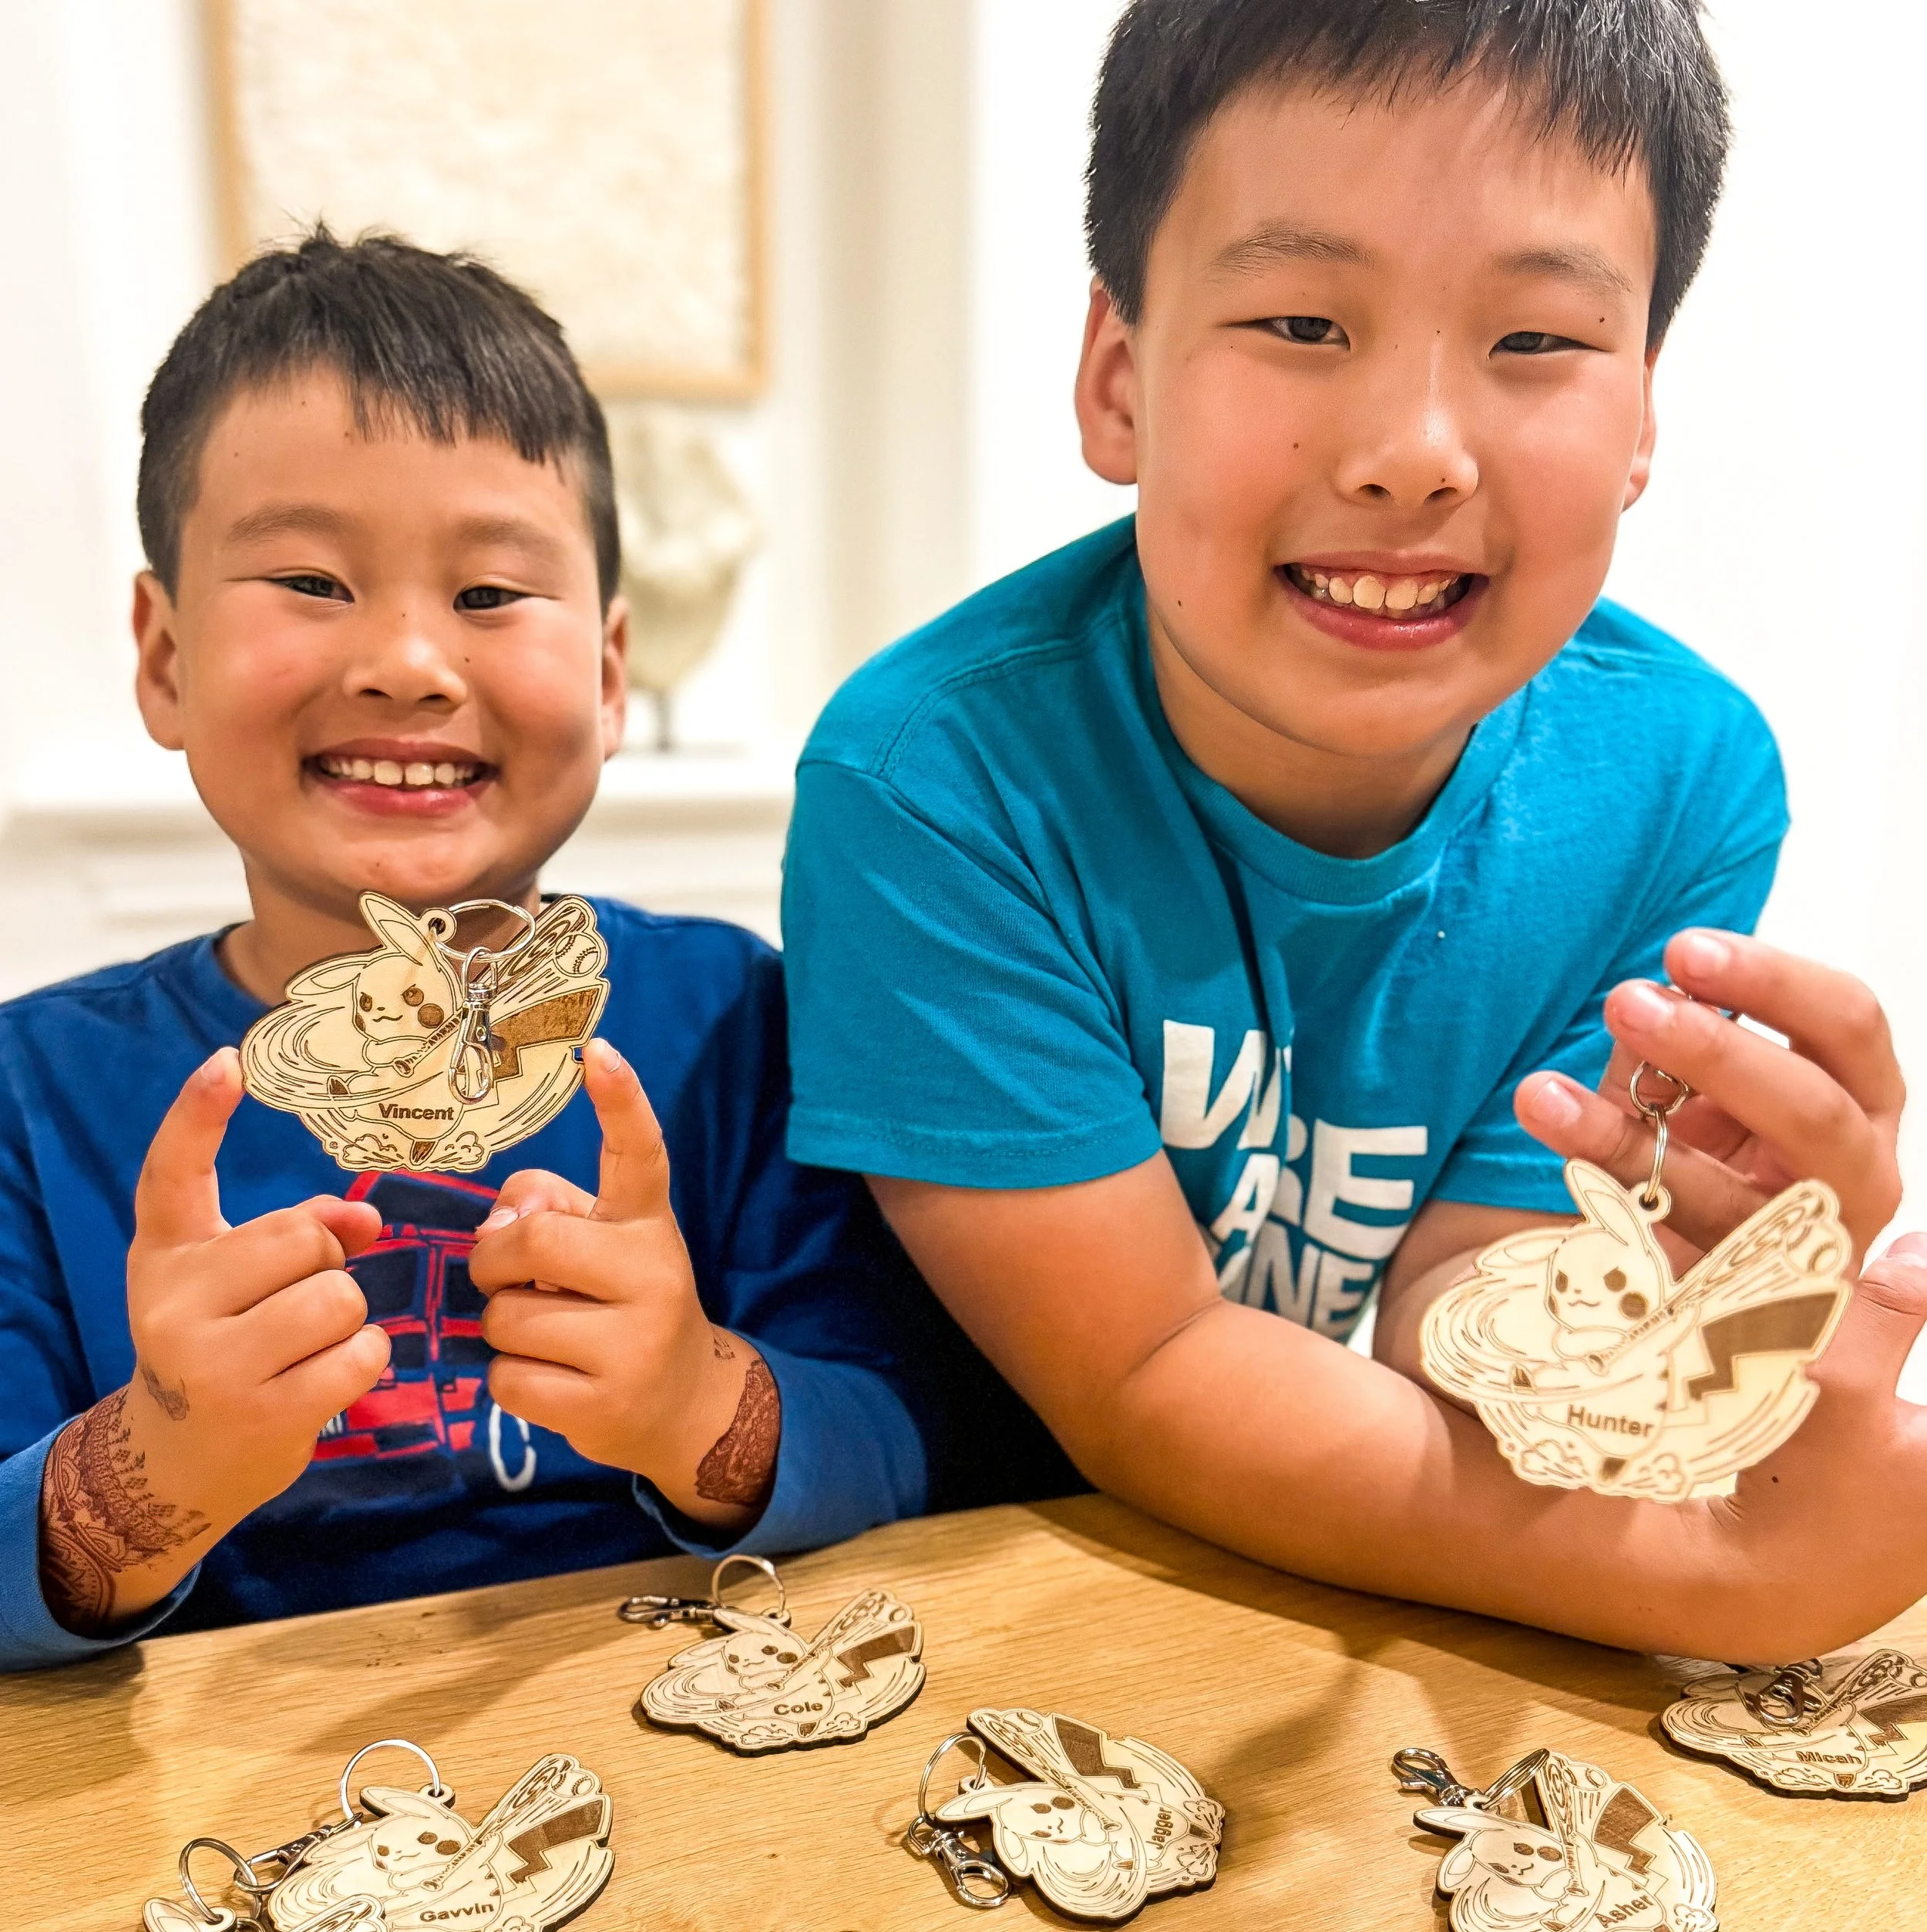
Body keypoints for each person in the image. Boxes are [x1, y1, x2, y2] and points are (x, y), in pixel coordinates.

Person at [779, 0, 1927, 1662]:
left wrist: (1630, 1328)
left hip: (1374, 1625)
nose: (1411, 455)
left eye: (1534, 342)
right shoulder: (931, 785)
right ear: (1117, 379)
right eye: (1302, 320)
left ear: (1643, 425)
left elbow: (1446, 1313)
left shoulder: (1678, 778)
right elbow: (1143, 1372)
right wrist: (1708, 1574)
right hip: (999, 1595)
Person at [0, 229, 1061, 1673]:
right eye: (310, 581)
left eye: (491, 594)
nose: (411, 661)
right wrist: (143, 1472)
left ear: (613, 673)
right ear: (166, 655)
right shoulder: (36, 1090)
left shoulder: (731, 1024)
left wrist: (701, 1405)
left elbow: (925, 1434)